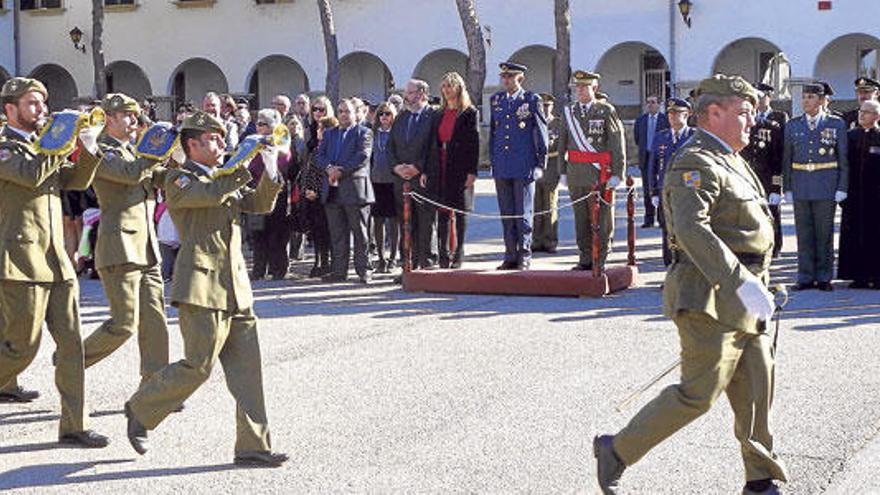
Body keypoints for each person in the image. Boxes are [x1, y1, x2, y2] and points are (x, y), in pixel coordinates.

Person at [594, 75, 788, 495]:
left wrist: (762, 284)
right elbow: (690, 229)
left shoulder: (733, 158)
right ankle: (617, 449)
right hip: (709, 295)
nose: (751, 121)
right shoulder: (694, 161)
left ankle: (760, 480)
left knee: (757, 387)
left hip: (748, 292)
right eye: (743, 113)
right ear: (713, 114)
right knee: (699, 393)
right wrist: (741, 283)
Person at [124, 110, 288, 467]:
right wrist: (243, 165)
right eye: (211, 139)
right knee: (198, 366)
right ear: (192, 145)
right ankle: (141, 406)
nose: (220, 143)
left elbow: (258, 204)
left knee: (248, 372)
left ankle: (253, 445)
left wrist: (270, 168)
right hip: (200, 284)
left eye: (220, 137)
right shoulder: (179, 180)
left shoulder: (222, 176)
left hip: (235, 286)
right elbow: (211, 193)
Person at [0, 77, 108, 447]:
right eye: (32, 104)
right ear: (9, 109)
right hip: (20, 258)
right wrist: (60, 138)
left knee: (71, 344)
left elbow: (72, 182)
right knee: (21, 348)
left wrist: (88, 147)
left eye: (43, 104)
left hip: (55, 257)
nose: (41, 111)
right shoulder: (4, 147)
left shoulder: (40, 144)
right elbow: (30, 176)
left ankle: (74, 424)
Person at [80, 93, 170, 386]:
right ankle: (71, 360)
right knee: (123, 324)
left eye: (136, 115)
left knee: (155, 318)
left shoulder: (132, 150)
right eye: (128, 116)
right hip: (120, 246)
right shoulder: (101, 150)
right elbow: (132, 175)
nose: (135, 121)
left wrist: (178, 155)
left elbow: (157, 177)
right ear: (109, 119)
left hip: (146, 246)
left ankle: (155, 382)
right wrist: (157, 147)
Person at [782, 82, 848, 292]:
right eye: (804, 97)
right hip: (801, 184)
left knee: (824, 233)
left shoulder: (835, 124)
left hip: (826, 185)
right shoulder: (793, 125)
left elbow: (843, 158)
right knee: (804, 233)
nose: (805, 101)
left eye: (810, 97)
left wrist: (842, 186)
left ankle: (824, 276)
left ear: (821, 100)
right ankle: (804, 276)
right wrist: (787, 187)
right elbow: (787, 158)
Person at [557, 70, 625, 272]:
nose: (579, 91)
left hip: (599, 173)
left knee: (602, 219)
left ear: (594, 88)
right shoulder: (569, 111)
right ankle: (585, 257)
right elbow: (562, 143)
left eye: (584, 87)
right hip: (576, 172)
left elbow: (616, 143)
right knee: (581, 218)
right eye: (577, 87)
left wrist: (617, 173)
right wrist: (562, 171)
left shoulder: (605, 110)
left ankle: (601, 256)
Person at [489, 62, 548, 270]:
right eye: (504, 77)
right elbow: (494, 134)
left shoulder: (531, 100)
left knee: (523, 213)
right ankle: (510, 254)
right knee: (507, 213)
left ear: (520, 78)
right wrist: (492, 161)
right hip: (503, 165)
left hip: (524, 164)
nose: (506, 80)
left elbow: (541, 132)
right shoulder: (496, 100)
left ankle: (524, 255)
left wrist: (541, 162)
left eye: (510, 77)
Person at [425, 72, 479, 269]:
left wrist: (472, 172)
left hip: (460, 166)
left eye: (451, 86)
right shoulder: (438, 114)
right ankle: (443, 253)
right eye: (445, 86)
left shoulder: (469, 113)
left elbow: (474, 144)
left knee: (460, 211)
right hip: (441, 165)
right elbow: (433, 143)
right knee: (443, 212)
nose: (447, 90)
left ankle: (459, 252)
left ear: (459, 88)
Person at [317, 99, 374, 283]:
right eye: (340, 111)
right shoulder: (329, 134)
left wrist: (340, 171)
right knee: (337, 233)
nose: (343, 114)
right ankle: (339, 271)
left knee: (360, 233)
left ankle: (364, 269)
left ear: (355, 113)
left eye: (347, 111)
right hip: (332, 189)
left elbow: (362, 157)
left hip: (355, 189)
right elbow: (320, 155)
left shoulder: (363, 133)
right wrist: (328, 168)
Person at [387, 79, 439, 271]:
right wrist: (396, 167)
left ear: (422, 93)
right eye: (405, 92)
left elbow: (434, 146)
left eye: (409, 92)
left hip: (422, 178)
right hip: (401, 180)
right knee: (406, 223)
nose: (405, 96)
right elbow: (390, 146)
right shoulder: (401, 117)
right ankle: (409, 264)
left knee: (425, 222)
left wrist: (419, 167)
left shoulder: (433, 116)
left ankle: (427, 262)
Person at [741, 83, 788, 258]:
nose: (758, 100)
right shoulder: (746, 123)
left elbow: (778, 157)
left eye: (761, 96)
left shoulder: (775, 123)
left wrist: (777, 187)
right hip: (749, 177)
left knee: (772, 213)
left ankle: (775, 247)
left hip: (767, 177)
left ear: (768, 96)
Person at [247, 109, 294, 280]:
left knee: (276, 234)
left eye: (263, 124)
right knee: (258, 233)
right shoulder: (253, 142)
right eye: (258, 123)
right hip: (255, 192)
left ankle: (278, 269)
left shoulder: (281, 143)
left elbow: (283, 165)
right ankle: (259, 269)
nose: (259, 127)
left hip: (276, 193)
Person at [838, 99, 880, 288]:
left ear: (877, 116)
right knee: (855, 234)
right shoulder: (850, 136)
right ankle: (859, 276)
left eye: (867, 112)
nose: (862, 115)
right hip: (855, 195)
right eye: (861, 111)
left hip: (876, 196)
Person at [647, 98, 694, 266]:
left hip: (686, 193)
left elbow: (696, 167)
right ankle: (670, 269)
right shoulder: (661, 136)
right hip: (665, 192)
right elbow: (653, 166)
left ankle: (686, 268)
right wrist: (654, 191)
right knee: (668, 232)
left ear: (687, 115)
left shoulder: (693, 136)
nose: (672, 117)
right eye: (670, 113)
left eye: (677, 113)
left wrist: (693, 191)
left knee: (687, 231)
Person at [300, 115, 337, 278]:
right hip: (314, 196)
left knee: (329, 231)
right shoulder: (315, 149)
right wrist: (309, 189)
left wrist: (319, 190)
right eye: (318, 128)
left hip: (328, 195)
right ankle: (318, 260)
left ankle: (329, 262)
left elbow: (326, 173)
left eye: (322, 128)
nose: (318, 131)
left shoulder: (333, 148)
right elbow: (310, 172)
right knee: (316, 230)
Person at [370, 102, 400, 273]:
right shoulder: (373, 134)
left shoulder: (396, 134)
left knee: (393, 221)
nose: (384, 117)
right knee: (378, 221)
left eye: (388, 114)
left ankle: (393, 257)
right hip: (376, 181)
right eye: (381, 114)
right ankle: (380, 258)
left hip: (393, 181)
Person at [533, 93, 562, 253]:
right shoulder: (534, 122)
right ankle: (536, 240)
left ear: (552, 106)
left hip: (552, 166)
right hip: (536, 167)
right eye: (542, 105)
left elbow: (562, 146)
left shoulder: (558, 123)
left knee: (550, 206)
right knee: (536, 206)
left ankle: (550, 241)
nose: (545, 108)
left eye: (547, 105)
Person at [633, 95, 669, 227]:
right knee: (647, 188)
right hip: (646, 157)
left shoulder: (665, 120)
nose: (650, 105)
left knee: (660, 187)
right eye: (648, 102)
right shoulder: (641, 120)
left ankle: (661, 218)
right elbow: (637, 139)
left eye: (653, 102)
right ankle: (649, 219)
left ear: (659, 104)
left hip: (660, 157)